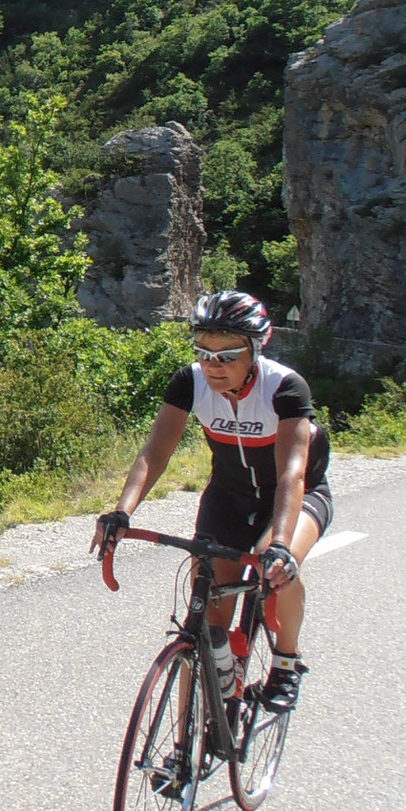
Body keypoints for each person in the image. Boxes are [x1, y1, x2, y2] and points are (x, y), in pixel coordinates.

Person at [92, 290, 331, 722]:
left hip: (296, 496)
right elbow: (155, 452)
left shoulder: (285, 387)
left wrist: (279, 543)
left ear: (256, 349)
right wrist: (121, 512)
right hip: (229, 497)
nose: (212, 366)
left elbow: (291, 475)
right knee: (202, 624)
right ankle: (185, 742)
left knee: (273, 564)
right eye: (203, 353)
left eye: (227, 355)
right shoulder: (190, 382)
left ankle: (286, 663)